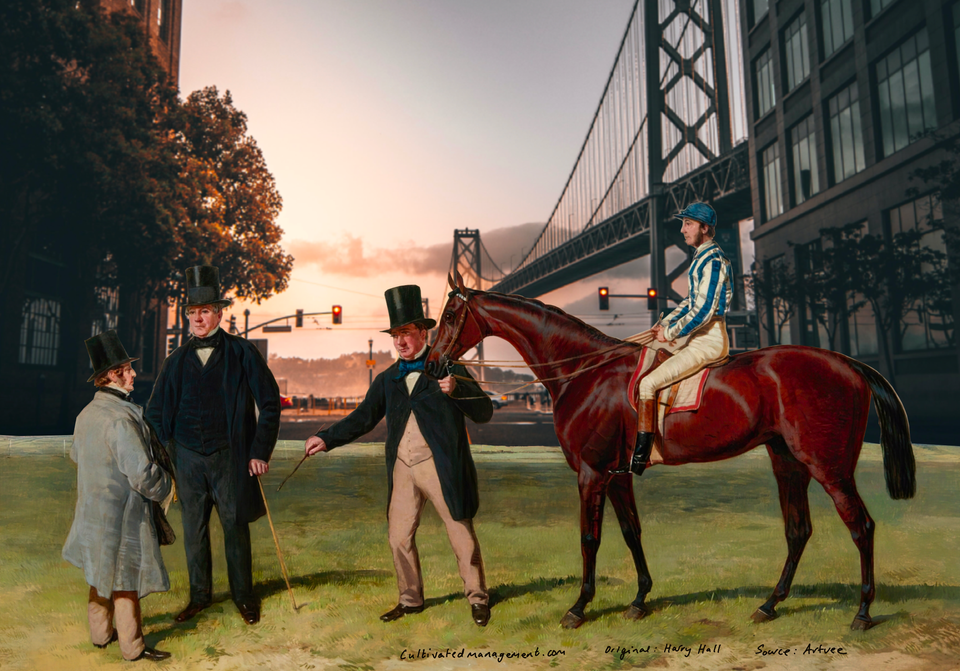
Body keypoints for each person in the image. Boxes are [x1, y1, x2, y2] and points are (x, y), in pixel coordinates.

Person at [304, 285, 495, 626]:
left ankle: (478, 598)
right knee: (398, 537)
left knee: (460, 531)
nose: (400, 342)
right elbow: (362, 419)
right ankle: (410, 600)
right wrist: (325, 438)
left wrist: (459, 388)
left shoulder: (449, 369)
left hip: (441, 465)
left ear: (423, 332)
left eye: (406, 333)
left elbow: (484, 412)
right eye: (395, 335)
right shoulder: (387, 379)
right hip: (402, 468)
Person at [146, 265, 281, 625]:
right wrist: (171, 454)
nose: (198, 318)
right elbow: (155, 414)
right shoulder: (174, 363)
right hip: (188, 460)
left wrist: (258, 452)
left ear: (220, 314)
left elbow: (269, 403)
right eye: (192, 312)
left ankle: (244, 597)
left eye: (205, 311)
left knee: (235, 527)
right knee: (194, 531)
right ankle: (199, 597)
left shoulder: (242, 353)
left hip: (231, 458)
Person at [63, 330, 174, 662]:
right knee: (125, 581)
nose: (133, 374)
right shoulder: (121, 419)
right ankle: (133, 648)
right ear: (110, 375)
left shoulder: (86, 415)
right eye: (126, 369)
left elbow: (76, 456)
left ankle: (100, 636)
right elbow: (141, 474)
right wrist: (168, 486)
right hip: (123, 516)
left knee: (99, 574)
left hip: (92, 514)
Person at [629, 202, 733, 476]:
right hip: (698, 336)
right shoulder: (702, 257)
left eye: (688, 224)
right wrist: (664, 323)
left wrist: (671, 333)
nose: (682, 229)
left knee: (648, 383)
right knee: (647, 351)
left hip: (708, 340)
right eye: (683, 223)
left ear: (705, 228)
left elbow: (703, 311)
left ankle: (642, 458)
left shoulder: (712, 261)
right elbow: (690, 302)